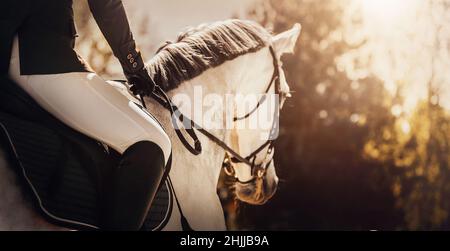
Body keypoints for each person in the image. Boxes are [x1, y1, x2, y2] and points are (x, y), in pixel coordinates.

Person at [0, 0, 172, 230]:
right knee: (152, 143)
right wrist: (135, 68)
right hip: (42, 61)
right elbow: (106, 4)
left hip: (22, 57)